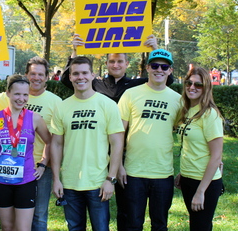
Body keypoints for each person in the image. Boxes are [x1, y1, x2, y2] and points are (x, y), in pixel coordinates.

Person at [62, 33, 172, 230]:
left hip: (125, 148)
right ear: (106, 64)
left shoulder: (136, 85)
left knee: (126, 206)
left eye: (120, 61)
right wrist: (75, 52)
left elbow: (163, 77)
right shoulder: (96, 84)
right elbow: (67, 80)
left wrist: (155, 49)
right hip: (95, 145)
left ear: (127, 63)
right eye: (112, 61)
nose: (116, 65)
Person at [51, 56, 124, 231]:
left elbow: (117, 143)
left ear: (93, 75)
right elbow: (56, 145)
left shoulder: (107, 105)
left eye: (85, 73)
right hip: (70, 182)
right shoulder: (62, 107)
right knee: (75, 228)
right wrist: (56, 179)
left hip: (98, 182)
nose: (80, 77)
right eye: (75, 74)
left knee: (101, 228)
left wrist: (110, 178)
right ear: (70, 77)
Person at [0, 56, 62, 231]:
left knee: (32, 222)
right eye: (17, 94)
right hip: (2, 177)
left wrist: (43, 165)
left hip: (29, 176)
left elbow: (51, 141)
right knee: (7, 225)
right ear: (8, 93)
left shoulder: (39, 114)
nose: (21, 98)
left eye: (25, 94)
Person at [117, 49, 181, 230]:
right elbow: (119, 133)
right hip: (134, 172)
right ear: (147, 68)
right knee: (133, 224)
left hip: (163, 172)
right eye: (154, 65)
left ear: (170, 70)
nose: (159, 69)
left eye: (164, 66)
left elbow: (186, 133)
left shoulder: (178, 100)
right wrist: (119, 166)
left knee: (160, 224)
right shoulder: (131, 94)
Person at [174, 67, 224, 231]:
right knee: (197, 225)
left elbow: (216, 157)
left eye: (198, 85)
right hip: (188, 179)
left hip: (205, 183)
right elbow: (192, 146)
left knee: (200, 227)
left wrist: (201, 191)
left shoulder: (210, 114)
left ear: (206, 88)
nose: (192, 87)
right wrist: (183, 173)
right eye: (189, 83)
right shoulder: (187, 111)